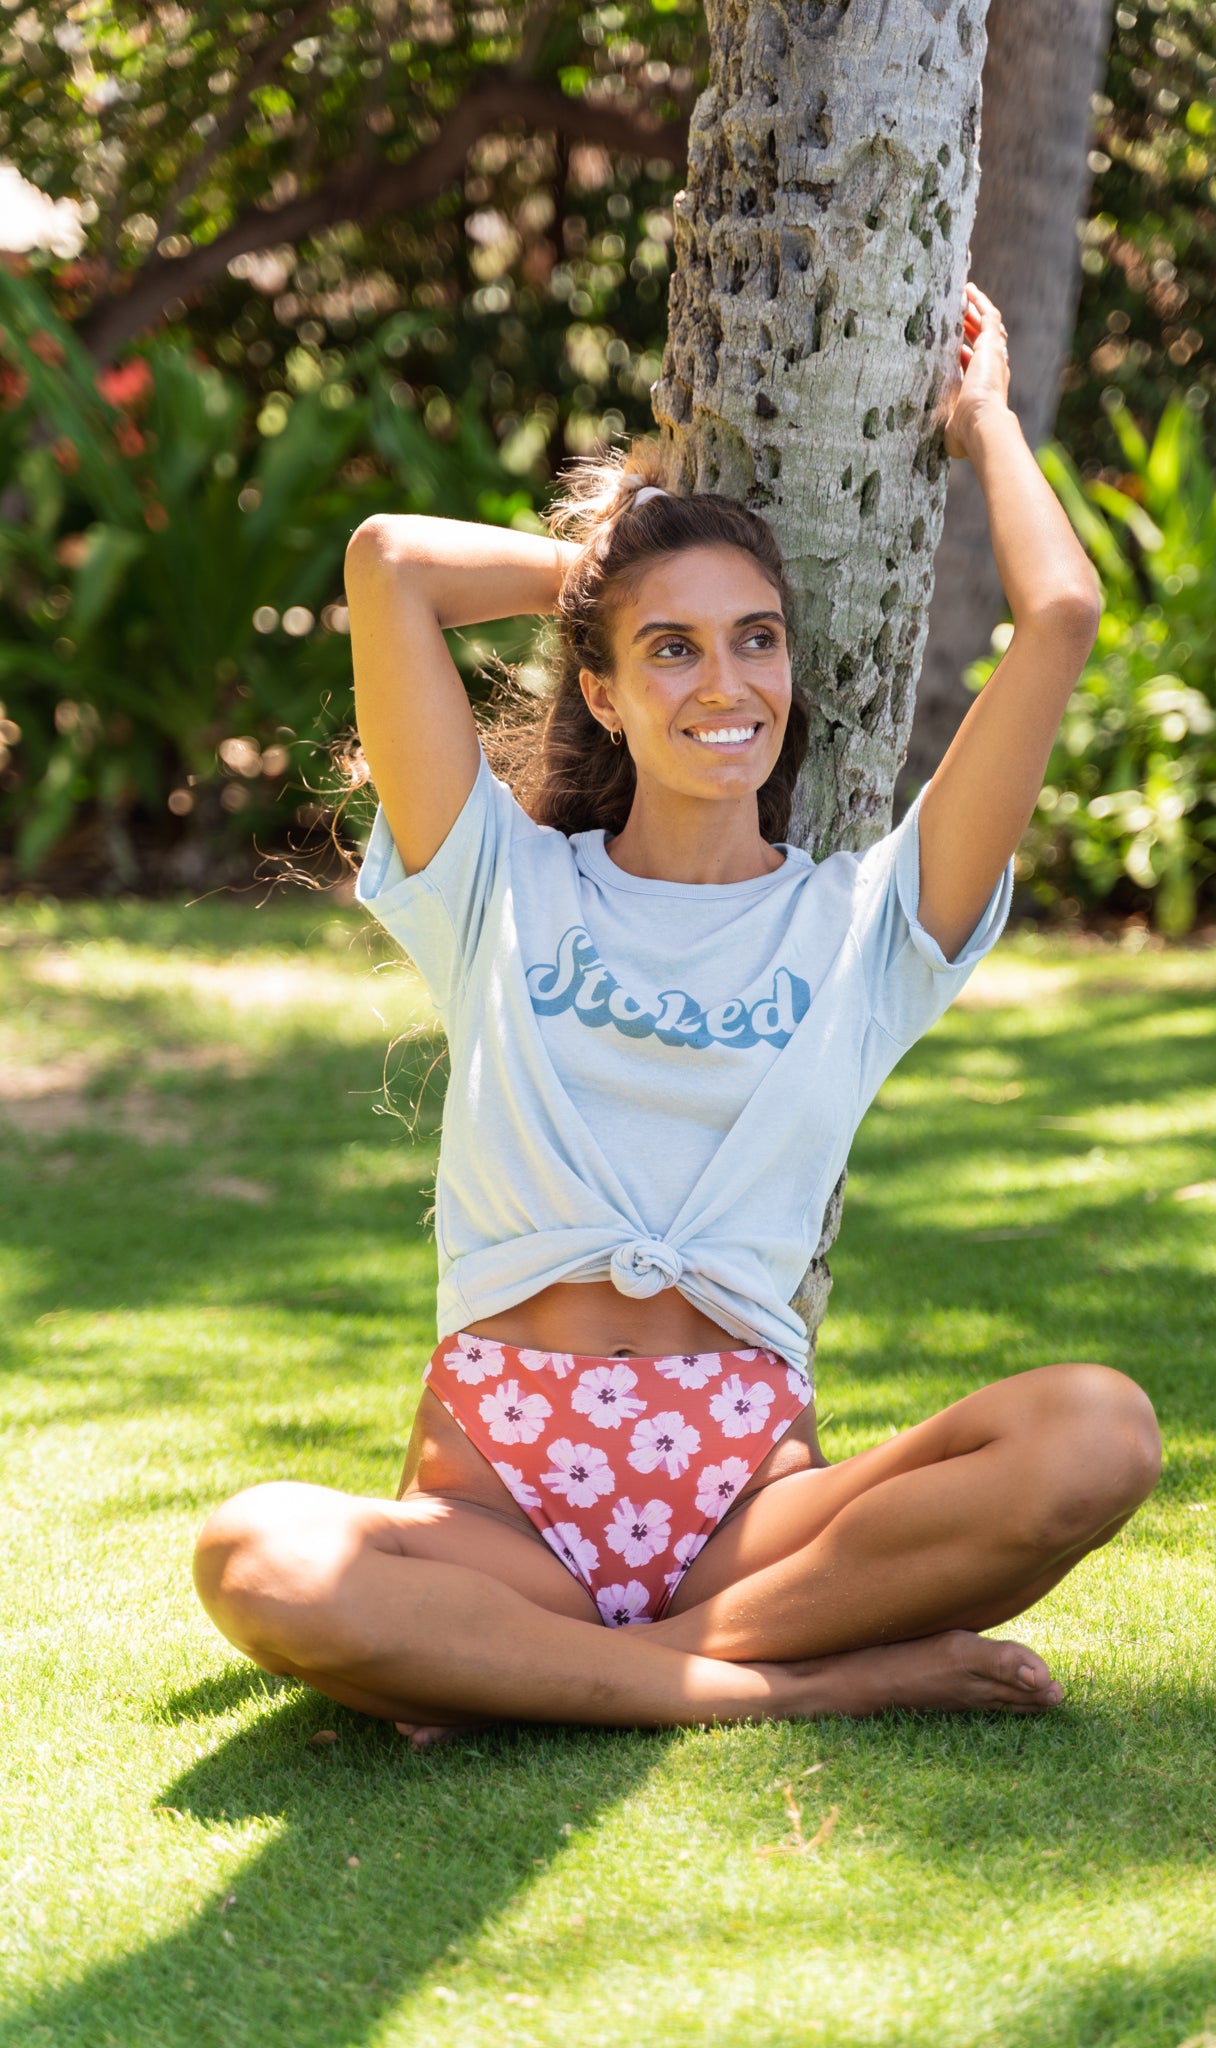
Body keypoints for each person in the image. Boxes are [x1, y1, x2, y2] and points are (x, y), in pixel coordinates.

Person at [194, 282, 1161, 1740]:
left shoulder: (871, 924)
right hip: (496, 1503)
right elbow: (388, 562)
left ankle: (523, 1675)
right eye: (672, 649)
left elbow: (1063, 611)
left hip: (747, 1512)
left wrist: (985, 425)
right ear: (599, 687)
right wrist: (608, 571)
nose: (727, 683)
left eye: (756, 639)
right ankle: (776, 1687)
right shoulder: (496, 884)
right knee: (253, 1556)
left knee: (1097, 1430)